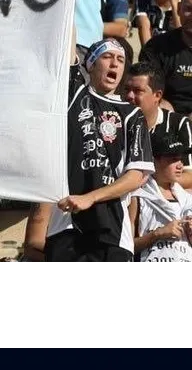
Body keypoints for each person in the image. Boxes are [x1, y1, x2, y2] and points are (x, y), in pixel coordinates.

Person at [45, 37, 155, 265]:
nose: (115, 63)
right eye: (107, 57)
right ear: (91, 65)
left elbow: (136, 177)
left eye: (120, 59)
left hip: (113, 233)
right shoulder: (74, 96)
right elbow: (67, 39)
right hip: (66, 226)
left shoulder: (133, 115)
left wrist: (90, 198)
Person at [124, 63, 192, 182]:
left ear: (157, 95)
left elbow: (189, 176)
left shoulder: (178, 124)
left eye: (137, 91)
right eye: (127, 89)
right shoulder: (116, 121)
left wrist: (144, 183)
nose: (129, 96)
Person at [130, 134, 192, 263]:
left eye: (181, 159)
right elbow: (126, 247)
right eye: (173, 159)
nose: (180, 165)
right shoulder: (138, 197)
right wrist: (158, 234)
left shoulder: (188, 199)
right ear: (154, 161)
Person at [139, 0, 192, 116]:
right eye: (189, 9)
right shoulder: (156, 48)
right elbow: (147, 90)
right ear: (179, 9)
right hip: (168, 118)